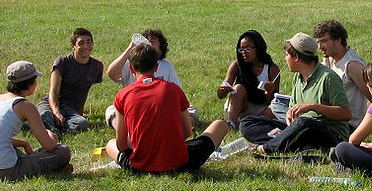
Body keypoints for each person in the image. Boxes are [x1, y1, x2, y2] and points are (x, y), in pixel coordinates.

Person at [104, 43, 229, 174]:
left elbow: (122, 146)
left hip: (140, 166)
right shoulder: (173, 89)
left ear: (131, 68)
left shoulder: (122, 95)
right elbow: (187, 133)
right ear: (156, 67)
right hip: (180, 163)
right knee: (220, 125)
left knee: (110, 145)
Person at [240, 33, 350, 154]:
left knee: (304, 122)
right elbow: (292, 110)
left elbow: (346, 114)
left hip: (328, 134)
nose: (285, 59)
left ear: (296, 57)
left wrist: (312, 106)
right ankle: (291, 142)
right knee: (247, 123)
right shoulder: (298, 77)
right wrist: (289, 116)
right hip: (300, 129)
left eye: (287, 55)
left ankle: (269, 147)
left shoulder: (328, 78)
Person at [0, 61, 72, 181]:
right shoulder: (25, 106)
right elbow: (50, 146)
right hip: (3, 172)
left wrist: (24, 143)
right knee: (62, 151)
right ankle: (57, 168)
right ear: (30, 83)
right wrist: (52, 135)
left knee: (28, 153)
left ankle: (57, 169)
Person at [105, 28, 199, 127]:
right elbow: (112, 73)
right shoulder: (130, 64)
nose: (148, 43)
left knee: (191, 110)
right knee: (111, 110)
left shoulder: (166, 66)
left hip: (161, 107)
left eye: (153, 41)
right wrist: (129, 50)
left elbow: (178, 94)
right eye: (145, 40)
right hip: (135, 107)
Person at [38, 27, 103, 135]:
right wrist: (56, 112)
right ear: (73, 46)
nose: (85, 46)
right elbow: (53, 92)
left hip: (70, 110)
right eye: (81, 43)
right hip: (51, 104)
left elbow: (84, 91)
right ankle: (52, 130)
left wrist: (79, 114)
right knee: (45, 115)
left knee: (82, 124)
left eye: (89, 42)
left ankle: (48, 130)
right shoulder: (62, 62)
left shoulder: (96, 66)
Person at [313, 20, 372, 129]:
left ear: (338, 40)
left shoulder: (353, 66)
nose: (320, 47)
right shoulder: (329, 60)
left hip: (346, 126)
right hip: (328, 120)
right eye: (318, 42)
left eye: (324, 41)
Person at [216, 30, 280, 128]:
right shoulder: (237, 65)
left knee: (277, 110)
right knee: (238, 88)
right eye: (241, 50)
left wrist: (269, 93)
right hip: (239, 106)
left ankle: (251, 122)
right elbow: (221, 95)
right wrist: (223, 89)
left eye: (248, 49)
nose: (244, 53)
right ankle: (231, 122)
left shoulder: (272, 69)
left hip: (261, 108)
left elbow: (273, 101)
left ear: (258, 48)